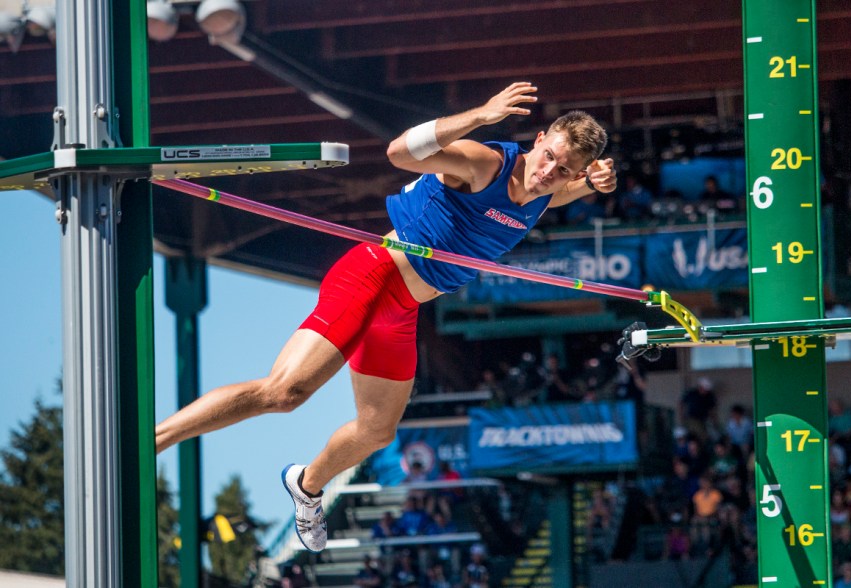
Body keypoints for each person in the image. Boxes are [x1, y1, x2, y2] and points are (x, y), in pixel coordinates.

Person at [153, 82, 617, 552]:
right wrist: (481, 114)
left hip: (404, 308)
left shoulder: (547, 191)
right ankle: (150, 441)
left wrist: (590, 184)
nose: (549, 173)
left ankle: (307, 486)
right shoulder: (485, 163)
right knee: (284, 392)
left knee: (378, 430)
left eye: (564, 171)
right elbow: (398, 152)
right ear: (539, 139)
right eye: (549, 158)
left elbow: (555, 196)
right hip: (373, 276)